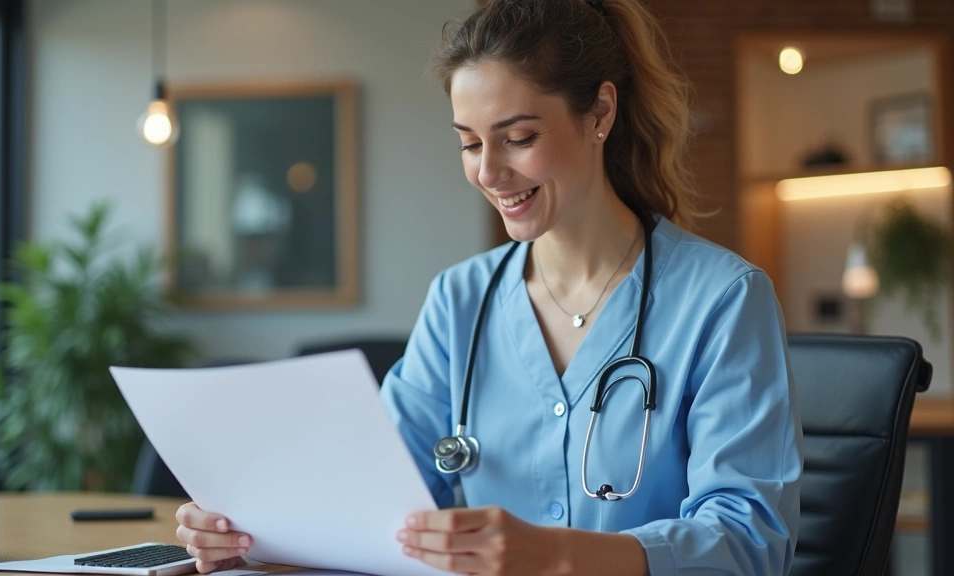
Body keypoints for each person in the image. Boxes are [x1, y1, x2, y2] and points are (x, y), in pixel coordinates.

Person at [174, 0, 803, 574]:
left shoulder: (722, 300)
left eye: (519, 138)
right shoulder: (459, 302)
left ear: (600, 113)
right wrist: (251, 532)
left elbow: (750, 541)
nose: (490, 172)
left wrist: (555, 555)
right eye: (470, 144)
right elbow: (375, 500)